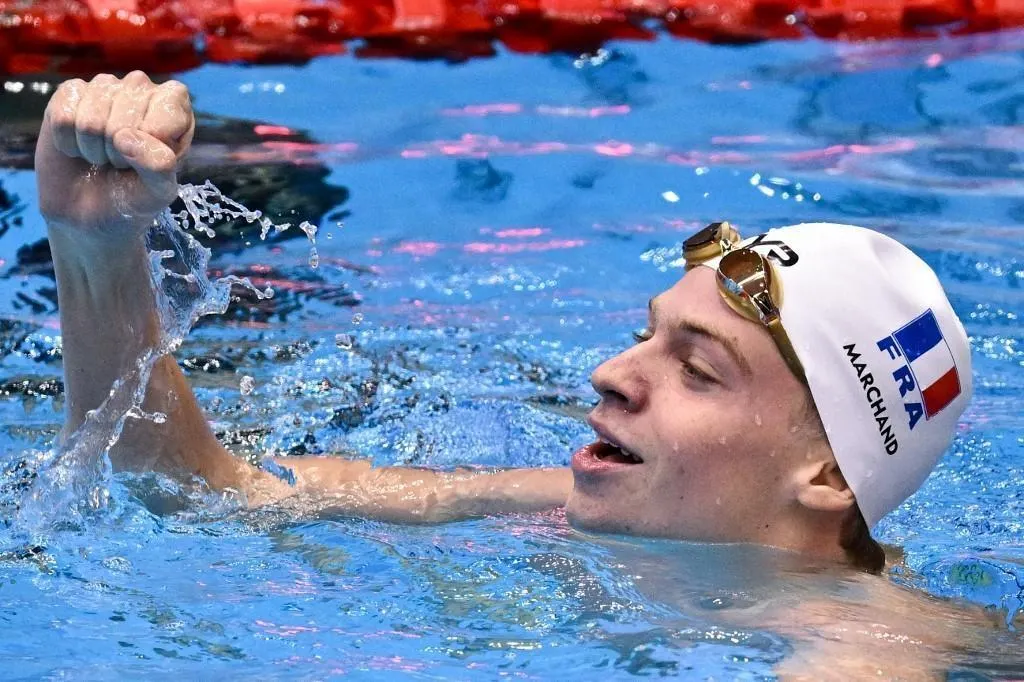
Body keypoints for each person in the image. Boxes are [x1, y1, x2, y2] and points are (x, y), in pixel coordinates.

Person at [38, 72, 972, 577]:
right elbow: (203, 491)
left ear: (825, 473)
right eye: (648, 333)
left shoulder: (866, 655)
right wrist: (95, 254)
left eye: (699, 370)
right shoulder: (559, 508)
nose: (612, 372)